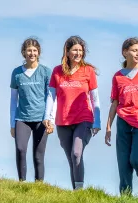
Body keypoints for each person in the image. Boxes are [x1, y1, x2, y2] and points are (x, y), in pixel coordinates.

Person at [105, 37, 138, 195]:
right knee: (123, 164)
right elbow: (114, 104)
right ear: (125, 52)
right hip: (123, 122)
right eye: (134, 50)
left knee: (136, 159)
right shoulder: (117, 77)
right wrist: (108, 127)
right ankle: (126, 198)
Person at [45, 36, 100, 190]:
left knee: (76, 153)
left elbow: (94, 98)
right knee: (71, 159)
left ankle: (79, 190)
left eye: (80, 50)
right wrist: (47, 117)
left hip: (84, 118)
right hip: (63, 121)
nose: (78, 53)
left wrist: (98, 121)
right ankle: (76, 192)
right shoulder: (57, 71)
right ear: (67, 52)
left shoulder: (88, 71)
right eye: (75, 50)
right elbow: (51, 96)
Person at [10, 38, 52, 182]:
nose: (32, 53)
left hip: (41, 119)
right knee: (21, 150)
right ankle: (22, 182)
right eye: (29, 50)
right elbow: (13, 100)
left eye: (34, 50)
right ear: (24, 52)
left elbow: (51, 97)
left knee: (38, 155)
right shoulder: (17, 73)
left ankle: (38, 185)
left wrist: (50, 119)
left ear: (38, 52)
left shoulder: (46, 72)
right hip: (22, 119)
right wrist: (12, 124)